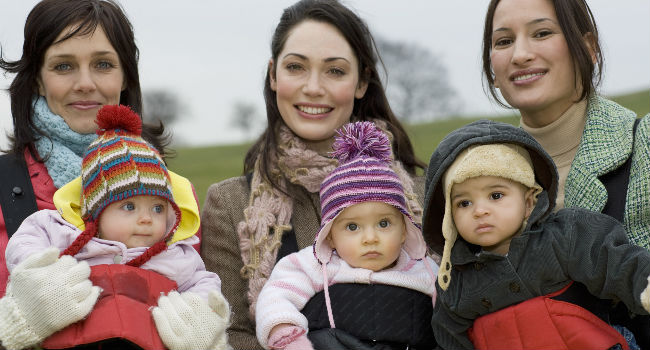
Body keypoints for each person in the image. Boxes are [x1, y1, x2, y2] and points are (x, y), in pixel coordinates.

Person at [200, 1, 425, 348]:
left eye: (335, 71)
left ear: (362, 81)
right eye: (296, 67)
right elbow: (228, 334)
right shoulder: (230, 205)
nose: (314, 88)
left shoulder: (424, 195)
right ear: (274, 75)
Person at [0, 105, 231, 350]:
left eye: (157, 208)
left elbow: (205, 283)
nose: (146, 219)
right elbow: (29, 236)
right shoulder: (67, 234)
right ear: (95, 212)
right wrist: (37, 272)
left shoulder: (176, 256)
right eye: (129, 207)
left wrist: (204, 317)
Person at [422, 119, 650, 349]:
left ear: (530, 201)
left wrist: (644, 283)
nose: (480, 211)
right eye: (464, 203)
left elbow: (613, 261)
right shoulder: (454, 280)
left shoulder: (563, 235)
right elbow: (449, 337)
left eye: (496, 195)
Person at [0, 0, 174, 298]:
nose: (84, 83)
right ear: (38, 80)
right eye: (63, 66)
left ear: (126, 77)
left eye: (103, 64)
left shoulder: (173, 195)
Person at [481, 0, 650, 248]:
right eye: (504, 41)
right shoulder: (477, 175)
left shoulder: (644, 147)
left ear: (589, 48)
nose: (520, 55)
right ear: (494, 71)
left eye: (542, 33)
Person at [255, 121, 438, 350]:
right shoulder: (316, 265)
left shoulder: (425, 271)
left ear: (404, 231)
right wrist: (288, 337)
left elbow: (453, 316)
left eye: (384, 223)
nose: (370, 238)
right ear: (330, 236)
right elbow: (276, 296)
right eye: (352, 227)